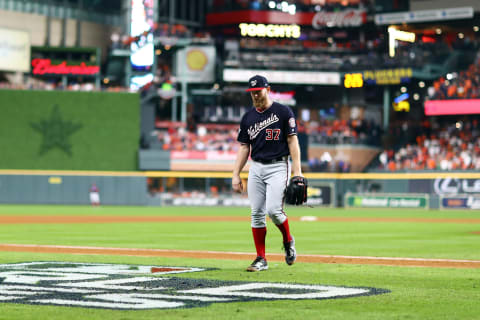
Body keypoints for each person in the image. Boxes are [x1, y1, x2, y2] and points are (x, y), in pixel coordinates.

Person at [232, 75, 303, 272]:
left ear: (267, 89)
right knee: (256, 214)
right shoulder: (248, 118)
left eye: (259, 91)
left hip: (278, 166)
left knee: (274, 211)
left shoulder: (282, 112)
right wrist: (235, 174)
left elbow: (292, 141)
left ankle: (288, 240)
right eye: (252, 92)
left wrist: (297, 171)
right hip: (256, 167)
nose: (255, 95)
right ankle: (261, 258)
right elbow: (244, 147)